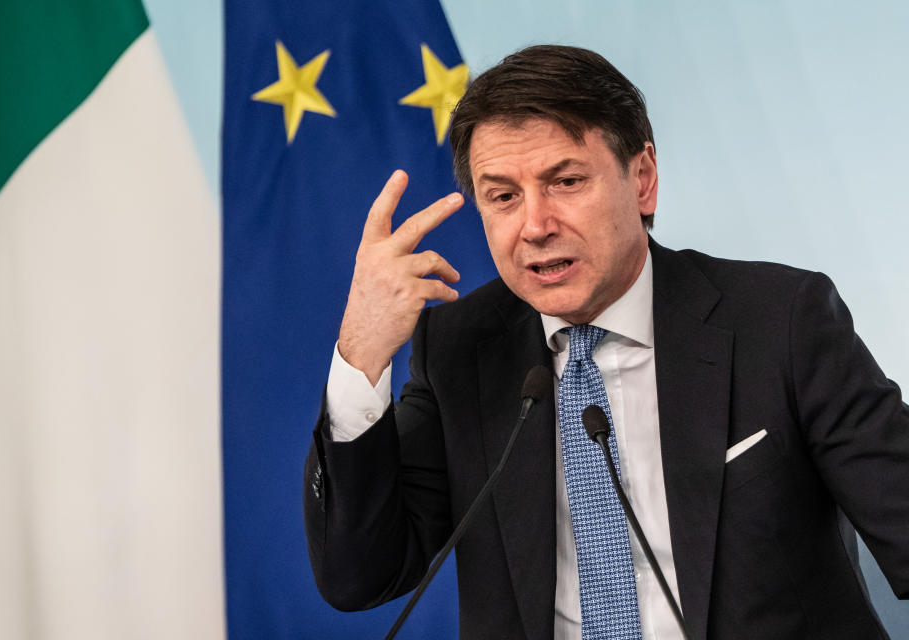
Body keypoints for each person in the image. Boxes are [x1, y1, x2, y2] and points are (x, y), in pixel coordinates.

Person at [303, 45, 909, 640]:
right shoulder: (461, 346)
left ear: (642, 179)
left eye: (565, 181)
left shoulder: (778, 322)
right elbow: (359, 577)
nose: (535, 226)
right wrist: (361, 353)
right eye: (503, 196)